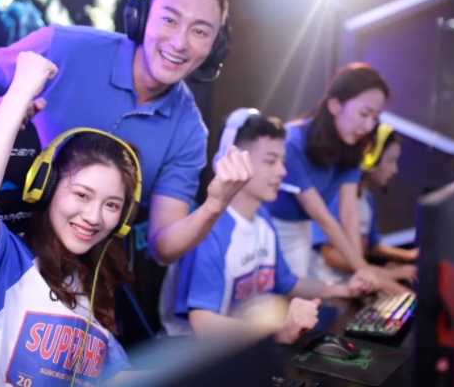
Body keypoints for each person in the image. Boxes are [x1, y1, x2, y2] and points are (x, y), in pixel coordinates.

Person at [0, 0, 251, 266]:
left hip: (80, 277)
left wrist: (216, 204)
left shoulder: (189, 131)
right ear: (141, 16)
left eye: (200, 31)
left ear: (215, 49)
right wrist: (1, 112)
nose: (179, 43)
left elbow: (162, 247)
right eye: (169, 20)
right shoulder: (65, 47)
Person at [0, 52, 140, 385]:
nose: (94, 217)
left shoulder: (92, 285)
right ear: (46, 187)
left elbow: (117, 378)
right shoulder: (7, 259)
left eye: (112, 205)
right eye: (81, 195)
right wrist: (21, 91)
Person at [164, 108, 376, 343]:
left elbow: (289, 284)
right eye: (270, 161)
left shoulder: (263, 219)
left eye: (282, 161)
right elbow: (203, 324)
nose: (282, 171)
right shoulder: (209, 230)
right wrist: (279, 331)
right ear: (231, 161)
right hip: (192, 355)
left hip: (241, 351)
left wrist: (344, 289)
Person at [265, 63, 389, 286]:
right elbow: (322, 217)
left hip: (301, 229)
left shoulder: (352, 147)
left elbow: (349, 213)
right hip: (269, 227)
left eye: (375, 117)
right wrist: (363, 270)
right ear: (335, 105)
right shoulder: (293, 142)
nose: (369, 126)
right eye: (364, 114)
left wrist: (359, 270)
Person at [309, 123, 418, 291]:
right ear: (371, 157)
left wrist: (409, 256)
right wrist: (387, 274)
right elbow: (330, 255)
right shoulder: (335, 195)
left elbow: (371, 247)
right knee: (404, 294)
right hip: (328, 288)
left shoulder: (367, 197)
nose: (395, 169)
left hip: (355, 282)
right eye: (390, 161)